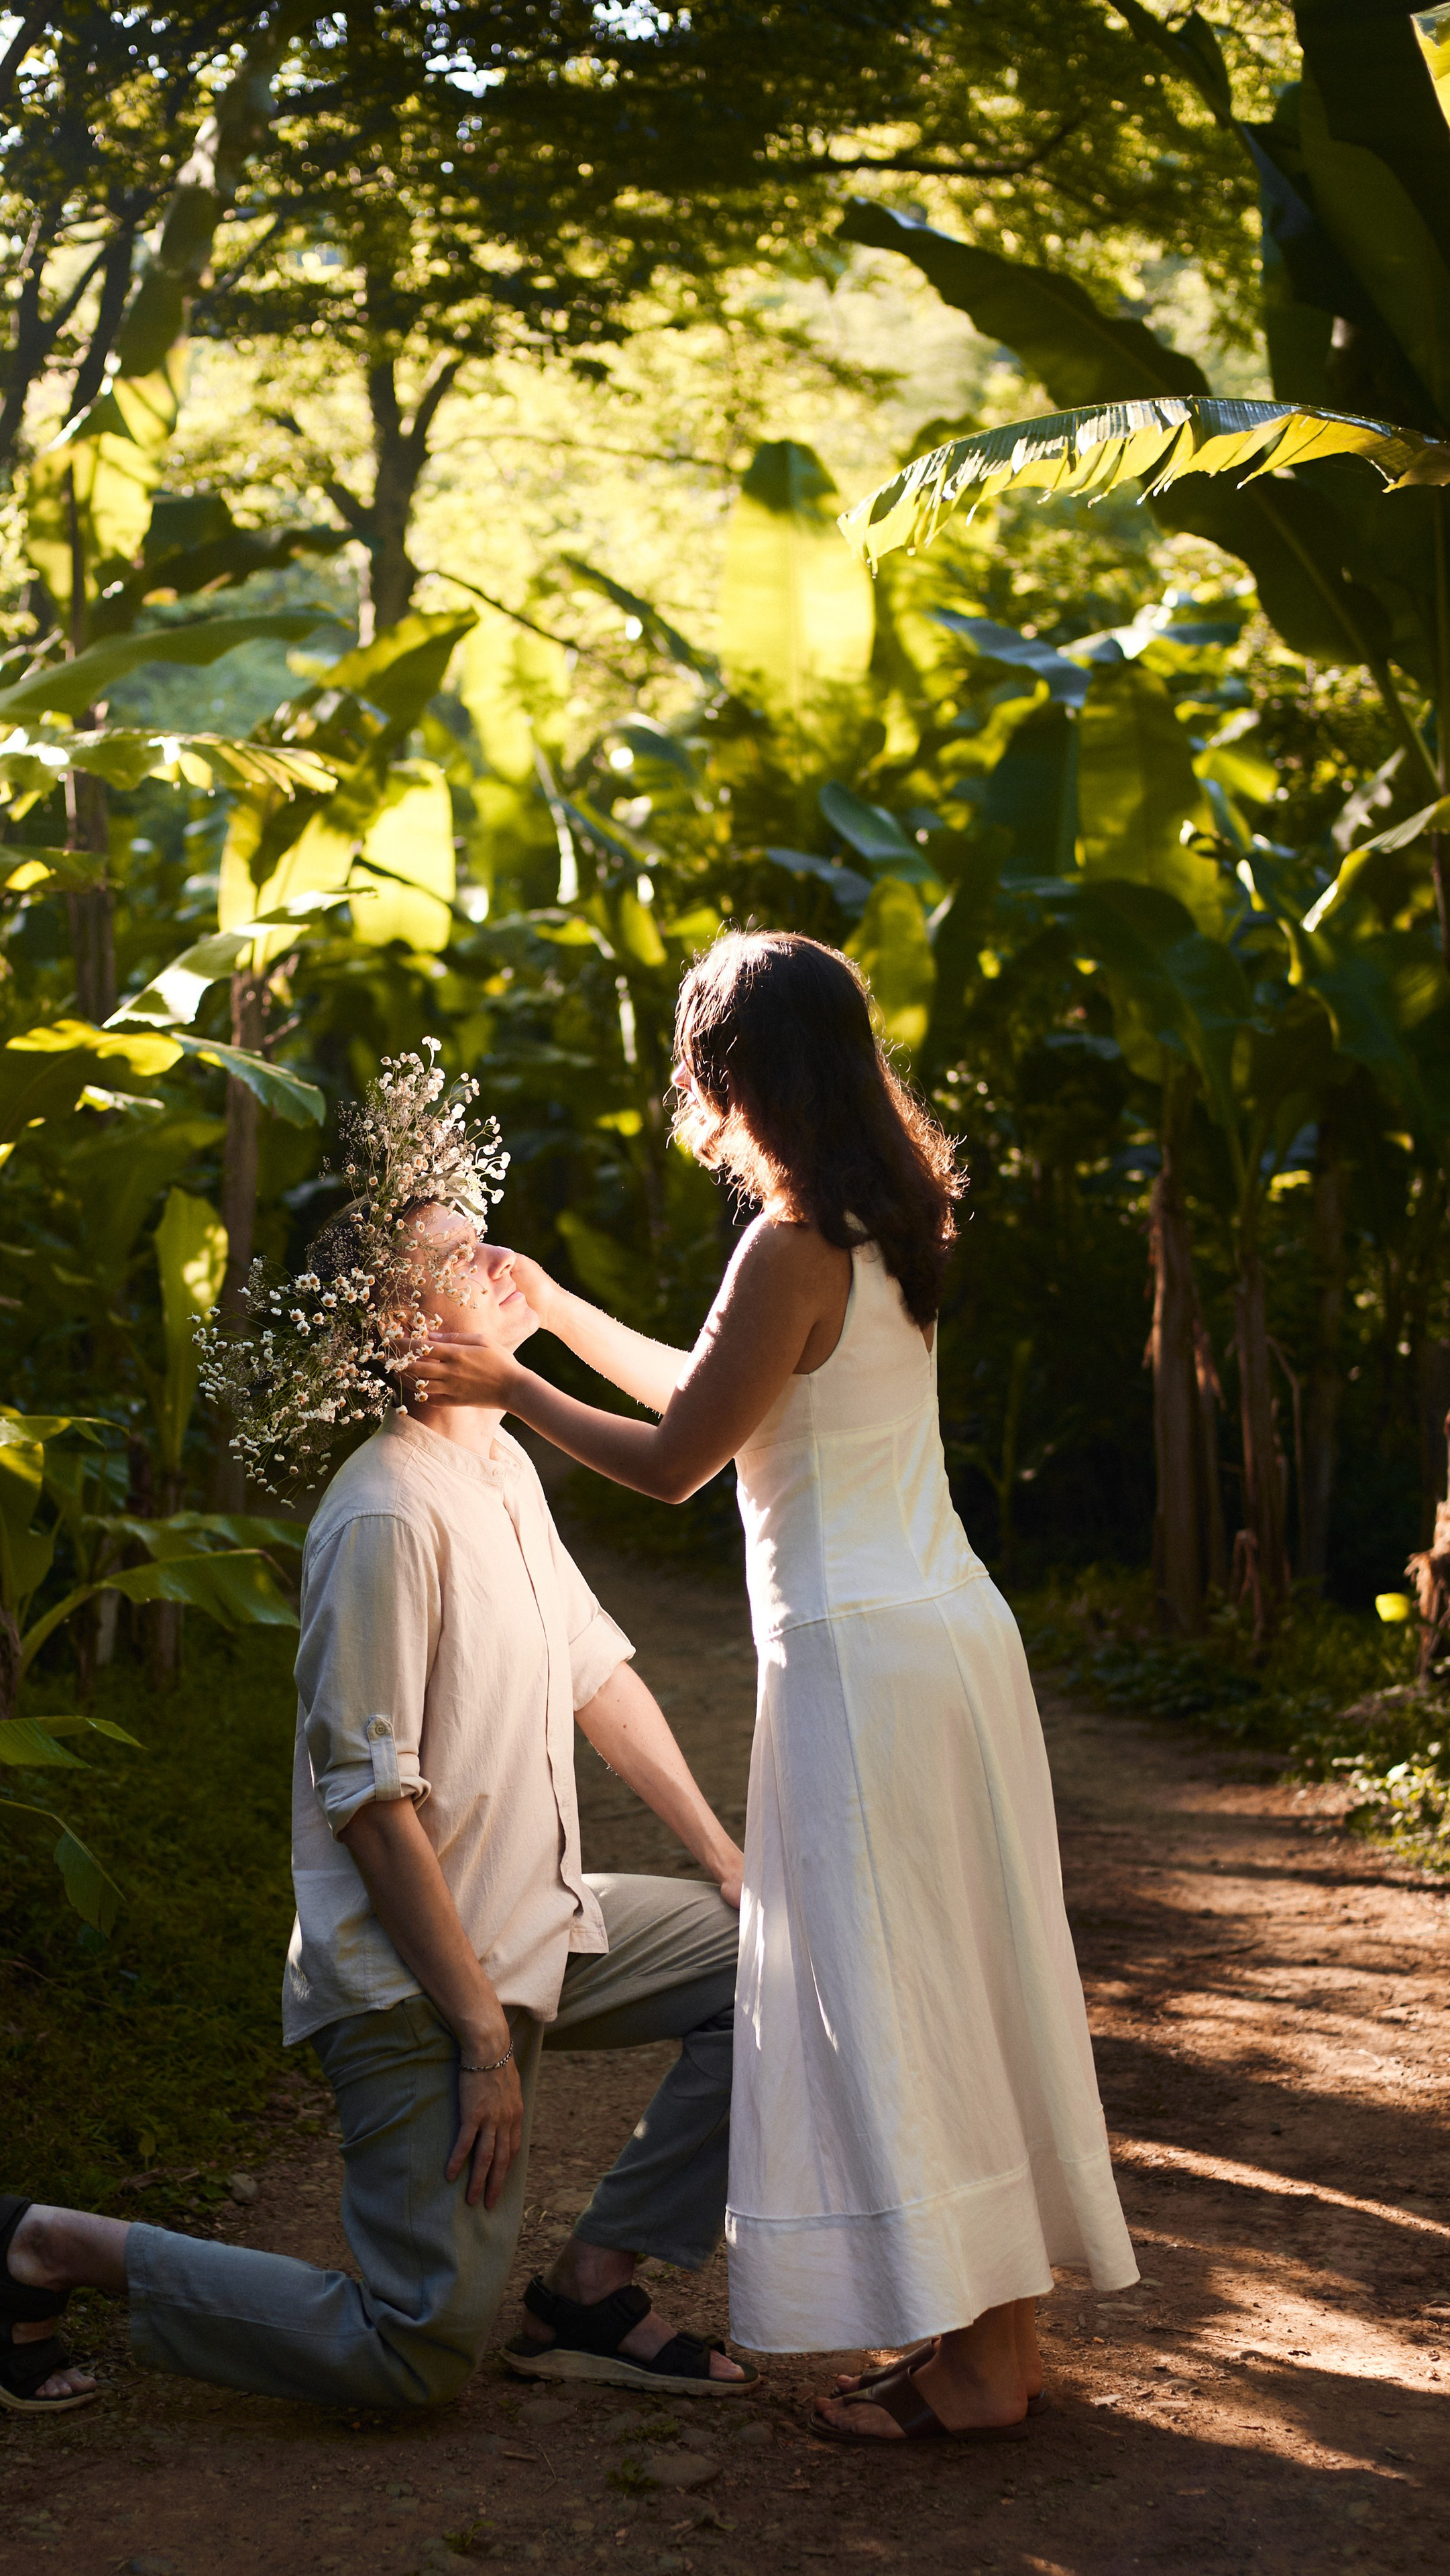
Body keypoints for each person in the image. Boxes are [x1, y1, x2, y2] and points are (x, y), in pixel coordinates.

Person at [0, 1051, 753, 2416]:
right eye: (458, 1255)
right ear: (396, 1322)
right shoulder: (381, 1511)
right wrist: (480, 2040)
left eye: (483, 1237)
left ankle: (594, 2291)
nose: (497, 1263)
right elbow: (373, 1809)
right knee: (414, 2349)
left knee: (770, 1965)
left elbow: (598, 1676)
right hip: (415, 1986)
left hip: (539, 1931)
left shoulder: (496, 1460)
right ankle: (33, 2242)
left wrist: (727, 1865)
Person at [411, 931, 1138, 2449]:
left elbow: (678, 1460)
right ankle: (988, 2342)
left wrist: (510, 1388)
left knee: (891, 1995)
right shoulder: (886, 1222)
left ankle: (978, 2361)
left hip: (861, 1669)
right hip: (945, 1637)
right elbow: (723, 1386)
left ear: (734, 1073)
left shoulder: (788, 1245)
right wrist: (549, 1307)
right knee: (960, 1985)